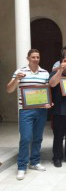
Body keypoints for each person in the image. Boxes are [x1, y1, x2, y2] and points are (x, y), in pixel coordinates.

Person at [6, 49, 51, 180]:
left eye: (38, 57)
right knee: (25, 138)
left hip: (42, 110)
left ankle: (35, 162)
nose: (36, 59)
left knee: (37, 138)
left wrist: (48, 102)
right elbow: (9, 89)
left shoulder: (44, 73)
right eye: (33, 57)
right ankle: (21, 166)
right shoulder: (20, 72)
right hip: (26, 111)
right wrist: (16, 80)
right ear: (28, 58)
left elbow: (46, 90)